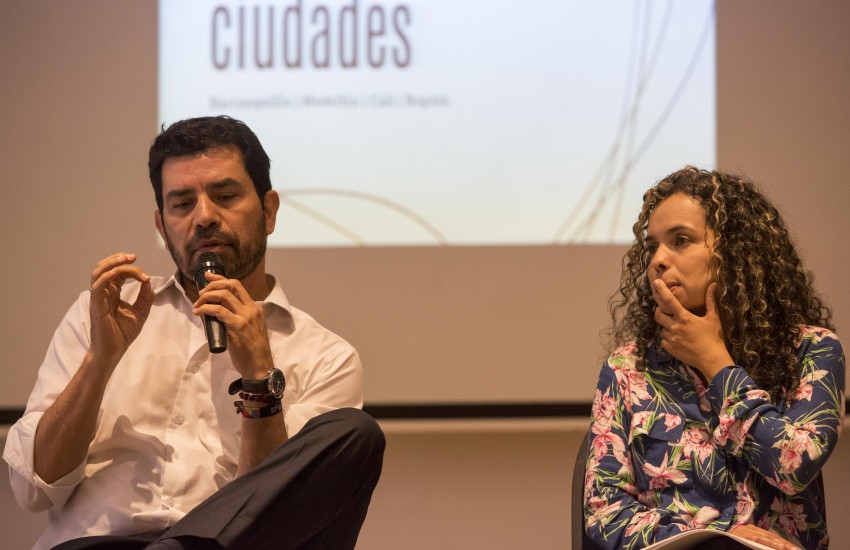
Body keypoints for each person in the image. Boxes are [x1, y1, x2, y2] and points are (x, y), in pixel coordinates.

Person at [3, 115, 385, 549]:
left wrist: (260, 378)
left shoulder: (326, 356)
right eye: (182, 204)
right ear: (161, 226)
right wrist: (99, 362)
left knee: (355, 433)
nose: (204, 217)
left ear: (269, 210)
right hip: (94, 545)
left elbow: (277, 519)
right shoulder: (104, 316)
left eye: (224, 196)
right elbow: (34, 490)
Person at [583, 166, 845, 550]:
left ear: (735, 252)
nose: (658, 259)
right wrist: (710, 538)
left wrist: (716, 363)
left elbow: (793, 467)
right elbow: (604, 512)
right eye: (652, 245)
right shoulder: (627, 369)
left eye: (681, 240)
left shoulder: (813, 349)